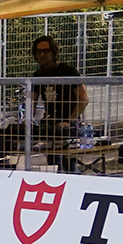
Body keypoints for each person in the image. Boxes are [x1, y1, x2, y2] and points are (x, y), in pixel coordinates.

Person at [30, 35, 89, 173]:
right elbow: (30, 101)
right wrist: (27, 120)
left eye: (46, 51)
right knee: (53, 166)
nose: (42, 55)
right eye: (39, 52)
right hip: (50, 124)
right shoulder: (37, 75)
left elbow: (83, 99)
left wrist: (69, 120)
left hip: (70, 124)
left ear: (54, 52)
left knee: (69, 166)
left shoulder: (68, 72)